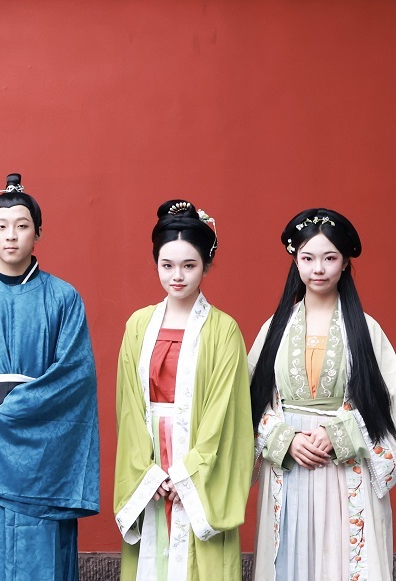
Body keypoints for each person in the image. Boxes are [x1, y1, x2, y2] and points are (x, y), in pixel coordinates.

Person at [0, 173, 99, 581]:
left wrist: (11, 414)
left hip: (41, 444)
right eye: (2, 226)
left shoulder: (64, 298)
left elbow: (75, 378)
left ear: (38, 233)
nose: (11, 235)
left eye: (22, 225)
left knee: (37, 546)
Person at [249, 208, 396, 581]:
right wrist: (284, 438)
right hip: (288, 467)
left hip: (345, 471)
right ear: (295, 261)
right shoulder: (274, 329)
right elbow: (247, 404)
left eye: (329, 258)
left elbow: (389, 407)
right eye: (308, 258)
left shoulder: (366, 330)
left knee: (341, 563)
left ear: (346, 262)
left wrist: (339, 433)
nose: (318, 269)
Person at [113, 200, 252, 581]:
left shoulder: (224, 330)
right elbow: (129, 408)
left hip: (196, 458)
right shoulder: (138, 325)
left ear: (206, 265)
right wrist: (148, 472)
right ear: (155, 263)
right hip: (150, 462)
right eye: (167, 265)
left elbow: (224, 413)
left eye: (189, 266)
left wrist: (188, 473)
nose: (177, 276)